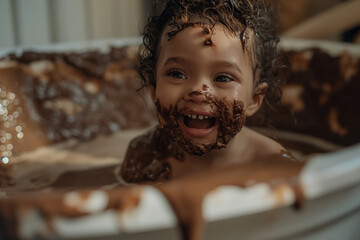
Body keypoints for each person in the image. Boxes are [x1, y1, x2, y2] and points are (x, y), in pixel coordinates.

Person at [120, 0, 289, 183]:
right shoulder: (144, 157)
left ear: (254, 99)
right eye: (177, 74)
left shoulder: (273, 165)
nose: (198, 91)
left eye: (223, 78)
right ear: (153, 90)